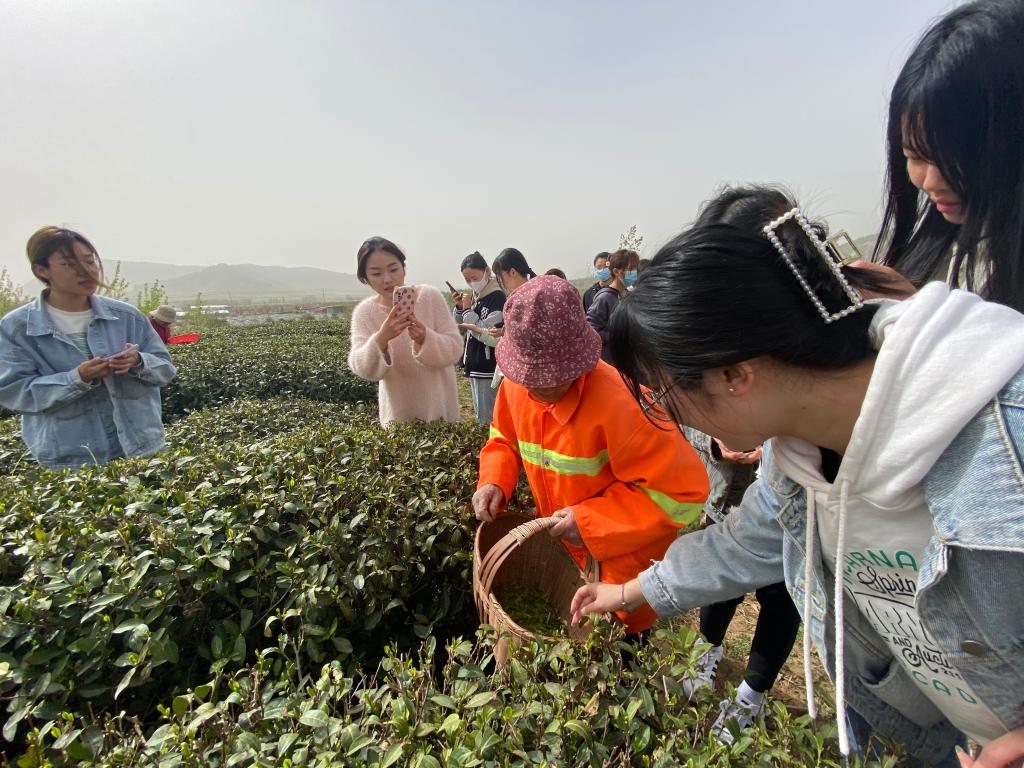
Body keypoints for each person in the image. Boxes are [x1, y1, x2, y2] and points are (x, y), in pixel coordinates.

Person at [570, 185, 1024, 768]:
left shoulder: (1002, 430)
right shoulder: (797, 464)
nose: (671, 414)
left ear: (736, 374)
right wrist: (630, 591)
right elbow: (744, 543)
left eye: (666, 393)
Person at [473, 275, 709, 638]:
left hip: (620, 570)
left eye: (556, 375)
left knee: (621, 650)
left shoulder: (626, 404)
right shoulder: (515, 388)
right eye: (532, 375)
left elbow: (682, 495)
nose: (543, 385)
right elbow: (503, 437)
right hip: (559, 557)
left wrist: (589, 522)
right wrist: (493, 479)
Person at [877, 0, 1024, 312]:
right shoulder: (973, 241)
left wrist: (926, 321)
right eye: (914, 156)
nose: (931, 181)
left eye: (955, 158)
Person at [0, 227, 177, 470]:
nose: (87, 270)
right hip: (73, 462)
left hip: (143, 449)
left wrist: (138, 361)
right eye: (68, 264)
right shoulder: (17, 328)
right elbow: (13, 391)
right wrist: (76, 379)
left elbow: (165, 369)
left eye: (89, 261)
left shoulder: (126, 316)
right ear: (42, 270)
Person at [347, 237, 463, 426]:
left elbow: (456, 348)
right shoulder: (365, 313)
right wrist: (381, 339)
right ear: (364, 278)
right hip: (398, 416)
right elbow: (360, 366)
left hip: (440, 411)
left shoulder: (429, 297)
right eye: (376, 273)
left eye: (393, 269)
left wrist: (426, 338)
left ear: (403, 268)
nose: (387, 279)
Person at [451, 251, 506, 425]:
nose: (471, 283)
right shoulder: (478, 297)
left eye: (474, 278)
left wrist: (467, 311)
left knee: (488, 420)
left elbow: (486, 331)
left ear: (487, 271)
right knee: (480, 416)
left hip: (488, 368)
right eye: (467, 280)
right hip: (476, 366)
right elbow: (462, 326)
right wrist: (460, 308)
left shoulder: (497, 296)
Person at [585, 249, 638, 364]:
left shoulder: (627, 295)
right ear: (617, 271)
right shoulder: (605, 298)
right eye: (630, 269)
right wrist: (618, 336)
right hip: (612, 361)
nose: (634, 273)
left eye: (635, 269)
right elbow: (591, 329)